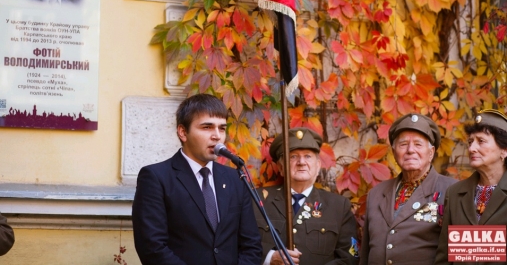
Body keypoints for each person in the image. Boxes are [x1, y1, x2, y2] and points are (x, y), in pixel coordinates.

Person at [132, 94, 262, 265]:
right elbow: (152, 248)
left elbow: (251, 245)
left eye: (222, 128)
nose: (217, 136)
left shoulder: (235, 178)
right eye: (207, 127)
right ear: (183, 132)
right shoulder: (156, 177)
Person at [360, 113, 457, 265]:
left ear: (431, 153)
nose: (410, 150)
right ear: (394, 152)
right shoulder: (376, 194)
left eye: (418, 144)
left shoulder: (453, 191)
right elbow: (365, 255)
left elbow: (462, 257)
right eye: (403, 144)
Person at [254, 127, 358, 265]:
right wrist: (269, 257)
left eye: (308, 156)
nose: (301, 162)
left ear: (318, 166)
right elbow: (239, 245)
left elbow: (350, 258)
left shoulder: (339, 206)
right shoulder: (258, 200)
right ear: (280, 168)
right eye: (293, 156)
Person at [435, 109, 507, 265]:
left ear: (504, 150)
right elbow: (445, 258)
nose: (472, 148)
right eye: (470, 142)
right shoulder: (455, 193)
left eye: (481, 141)